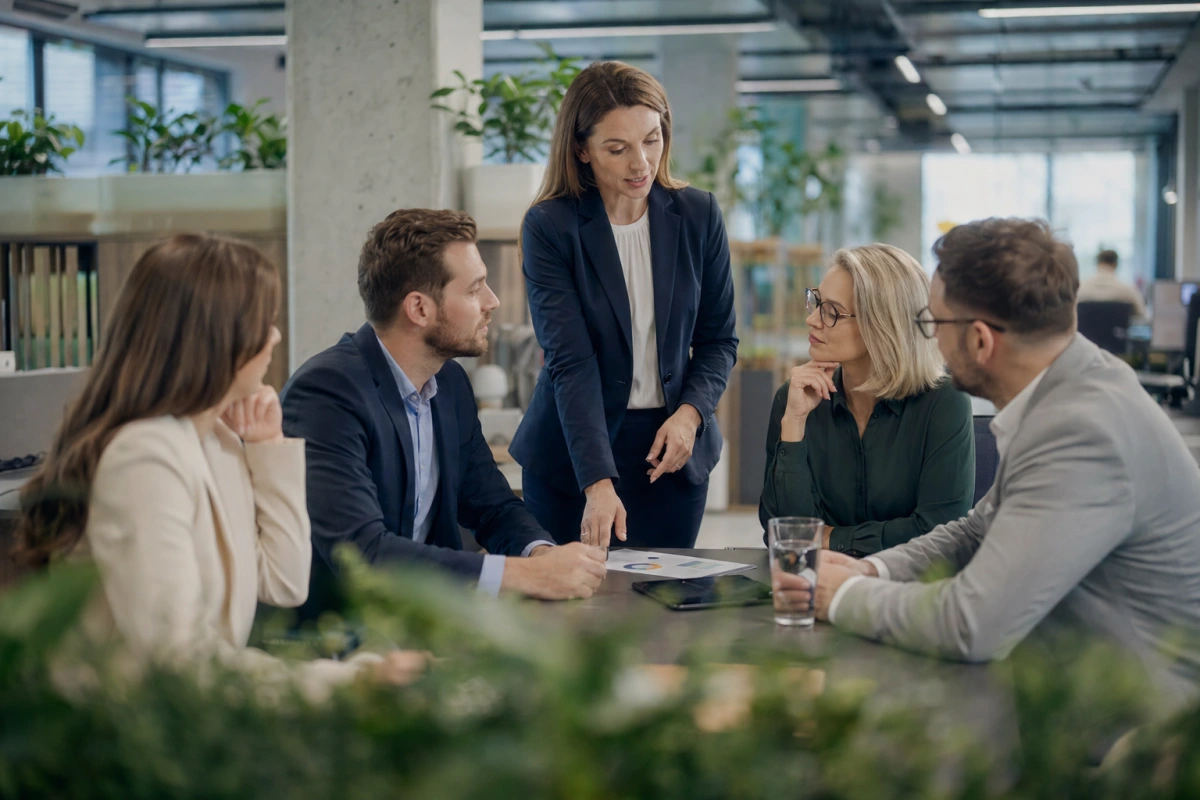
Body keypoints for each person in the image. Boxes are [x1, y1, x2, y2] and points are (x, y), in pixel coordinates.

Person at [777, 218, 1200, 708]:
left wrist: (841, 596)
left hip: (1143, 739)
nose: (928, 339)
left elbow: (971, 623)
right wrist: (870, 571)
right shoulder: (1078, 385)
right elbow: (975, 530)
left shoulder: (1083, 432)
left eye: (933, 324)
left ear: (980, 340)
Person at [14, 234, 421, 695]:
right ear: (218, 335)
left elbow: (285, 584)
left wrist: (268, 445)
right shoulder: (145, 456)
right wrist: (356, 680)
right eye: (264, 321)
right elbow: (178, 660)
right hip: (124, 737)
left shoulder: (219, 442)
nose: (276, 336)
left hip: (190, 721)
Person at [281, 209, 606, 613]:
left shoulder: (449, 383)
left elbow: (493, 506)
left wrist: (540, 555)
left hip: (426, 624)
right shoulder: (326, 394)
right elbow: (363, 554)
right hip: (338, 641)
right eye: (474, 290)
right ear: (419, 309)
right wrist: (523, 576)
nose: (493, 301)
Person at [512, 60, 738, 549]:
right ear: (582, 150)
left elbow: (719, 340)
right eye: (618, 148)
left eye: (651, 139)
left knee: (664, 615)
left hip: (671, 455)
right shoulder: (550, 228)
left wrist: (691, 415)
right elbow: (570, 361)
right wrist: (596, 482)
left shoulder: (698, 214)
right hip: (576, 456)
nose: (641, 163)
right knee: (567, 617)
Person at [759, 244, 974, 556]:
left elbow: (940, 532)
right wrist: (793, 424)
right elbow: (783, 533)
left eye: (832, 311)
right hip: (818, 588)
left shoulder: (944, 400)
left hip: (910, 592)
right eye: (816, 302)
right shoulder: (795, 399)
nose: (813, 320)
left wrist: (832, 538)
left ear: (883, 324)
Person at [1077, 249, 1146, 316]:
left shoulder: (1080, 289)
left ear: (1097, 264)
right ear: (1115, 264)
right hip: (1118, 327)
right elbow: (1142, 315)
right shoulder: (1128, 290)